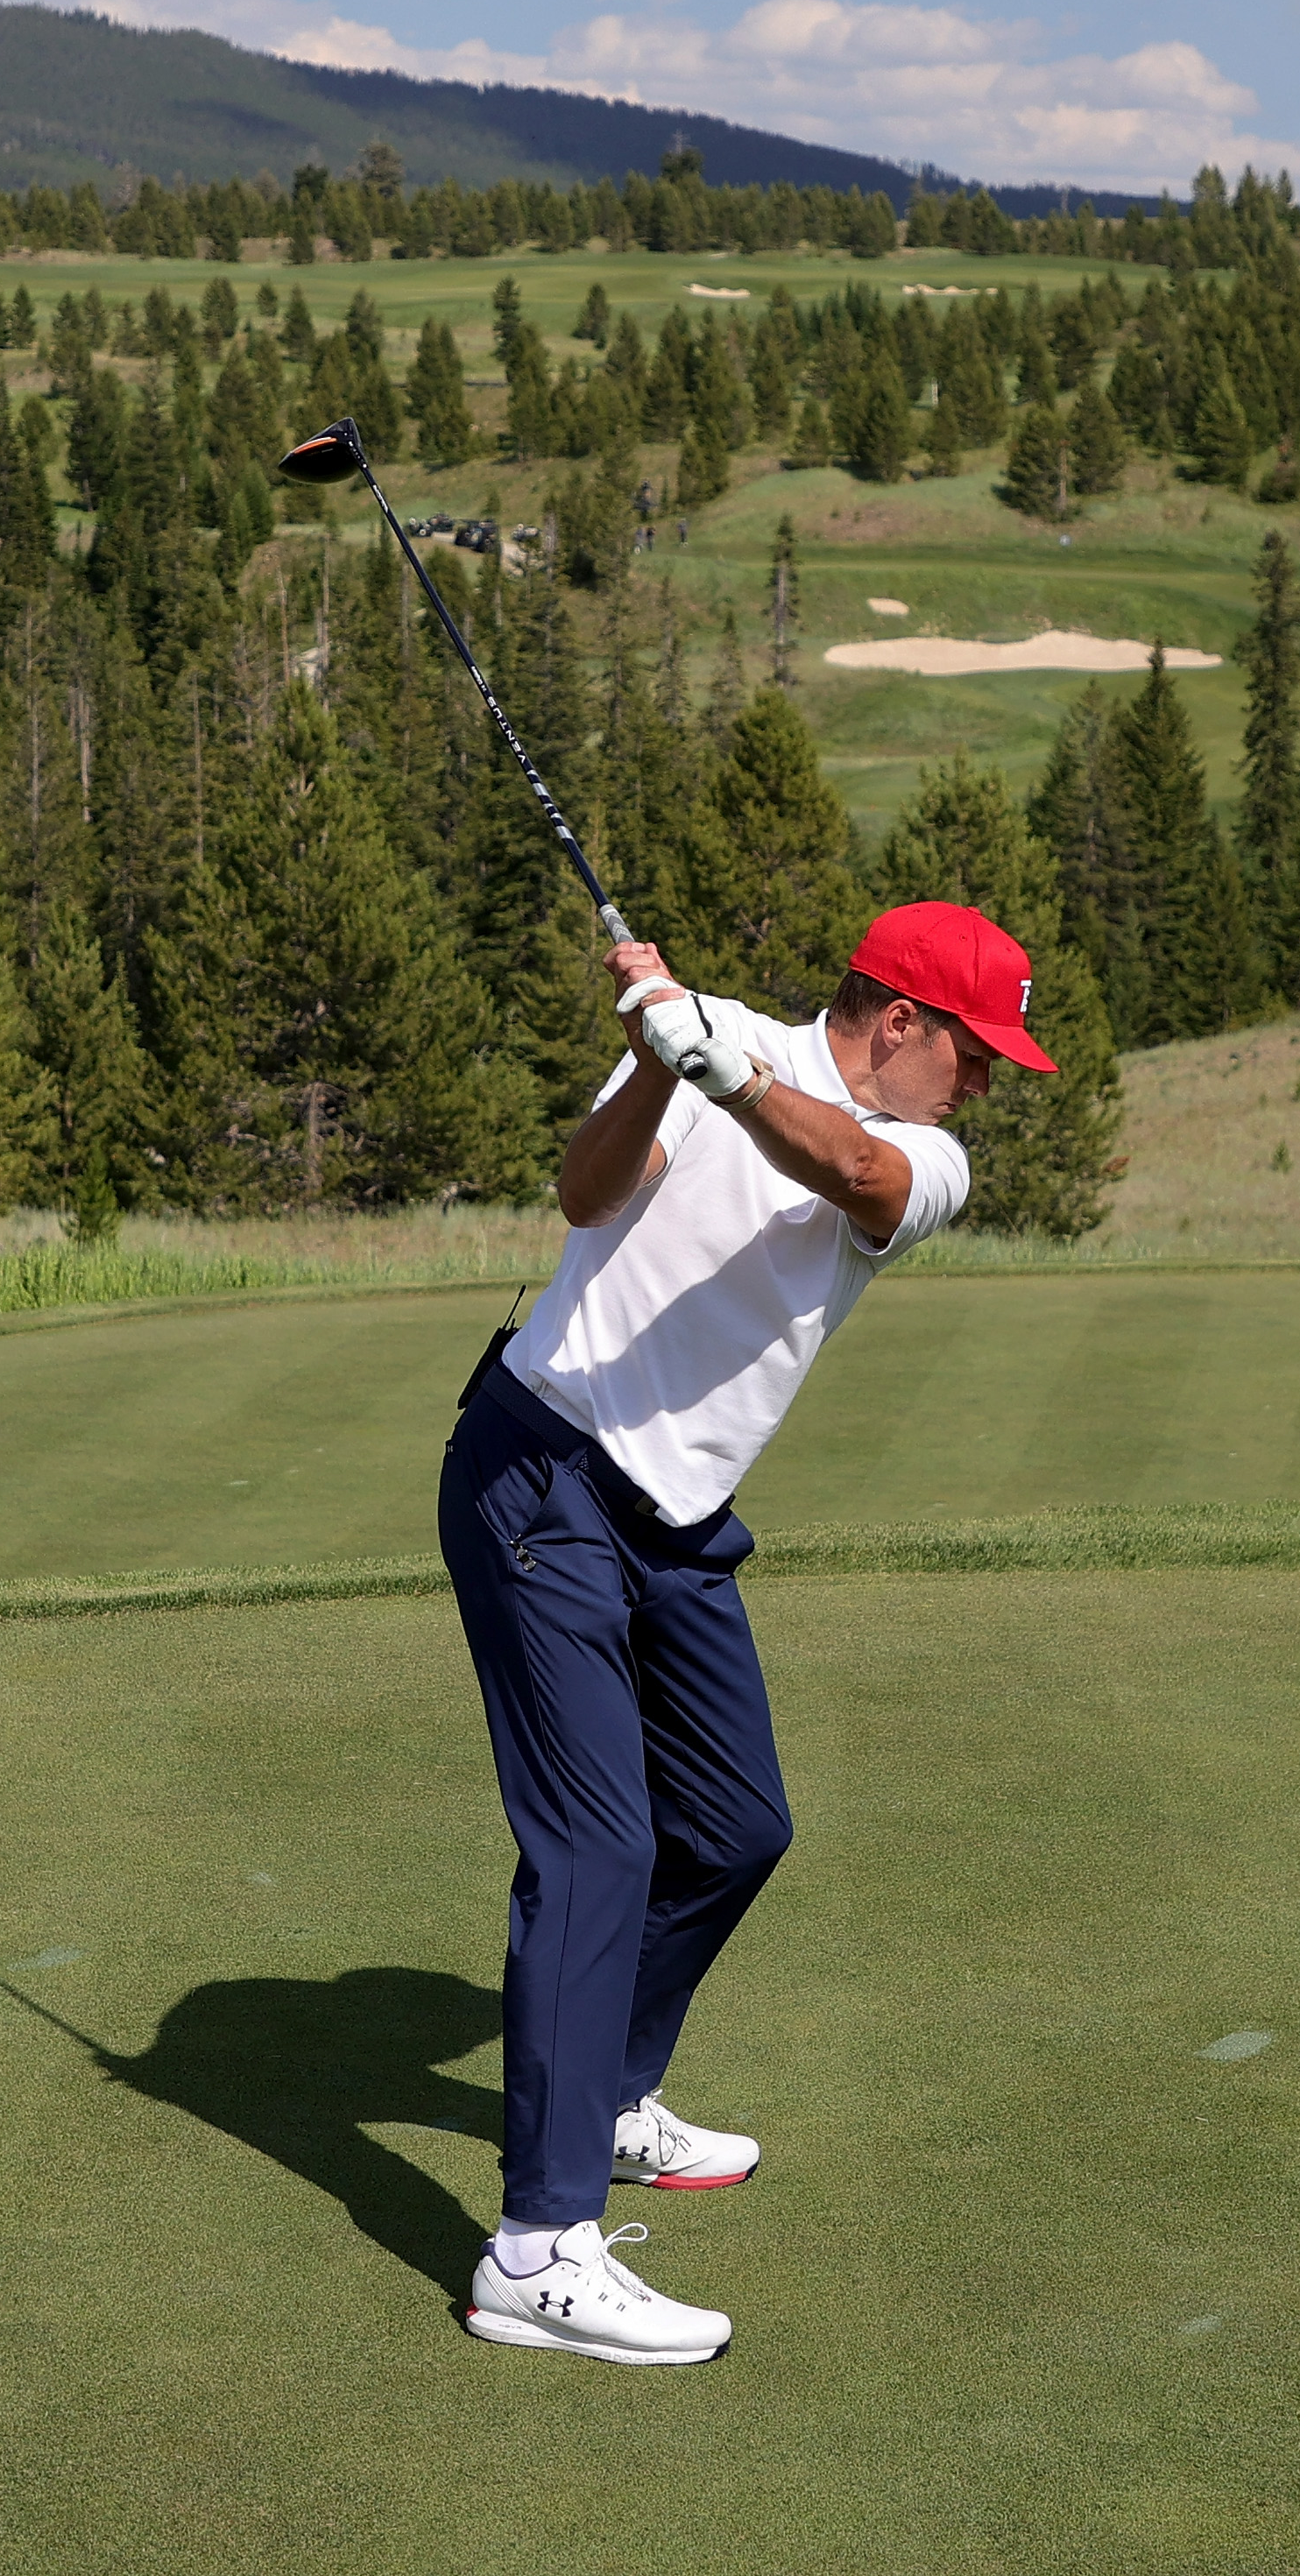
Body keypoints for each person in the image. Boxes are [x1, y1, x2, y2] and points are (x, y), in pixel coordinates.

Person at [439, 900, 1056, 2366]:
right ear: (900, 1018)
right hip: (543, 1466)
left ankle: (609, 2093)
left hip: (675, 1517)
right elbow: (588, 1199)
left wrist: (706, 1059)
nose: (984, 1090)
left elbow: (846, 1163)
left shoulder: (921, 1159)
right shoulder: (707, 1043)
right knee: (597, 1850)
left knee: (737, 1826)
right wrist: (655, 1061)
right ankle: (537, 2247)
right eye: (974, 1056)